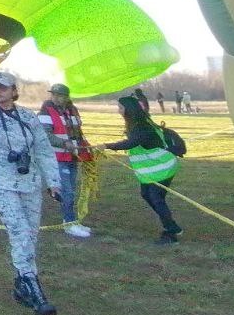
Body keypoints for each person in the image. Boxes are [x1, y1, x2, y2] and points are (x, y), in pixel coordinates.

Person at [0, 70, 62, 315]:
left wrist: (53, 182)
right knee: (18, 230)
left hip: (29, 182)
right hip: (1, 181)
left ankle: (21, 285)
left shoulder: (28, 117)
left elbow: (43, 150)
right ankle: (35, 290)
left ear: (13, 90)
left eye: (3, 87)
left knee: (31, 232)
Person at [98, 96, 182, 244]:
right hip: (152, 169)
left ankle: (171, 232)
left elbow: (131, 143)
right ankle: (171, 225)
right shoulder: (136, 122)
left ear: (128, 109)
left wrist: (107, 146)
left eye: (120, 108)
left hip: (162, 166)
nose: (119, 111)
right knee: (146, 194)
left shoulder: (140, 125)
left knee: (156, 198)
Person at [37, 83, 93, 239]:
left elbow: (78, 134)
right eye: (53, 94)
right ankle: (69, 223)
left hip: (73, 157)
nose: (55, 97)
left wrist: (85, 147)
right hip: (57, 158)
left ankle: (72, 221)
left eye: (59, 95)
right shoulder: (45, 112)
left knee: (71, 190)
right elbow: (45, 135)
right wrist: (63, 143)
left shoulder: (72, 112)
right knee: (67, 191)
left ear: (66, 97)